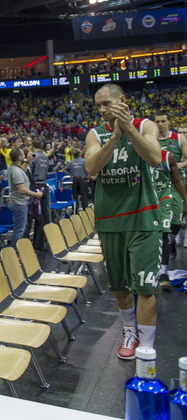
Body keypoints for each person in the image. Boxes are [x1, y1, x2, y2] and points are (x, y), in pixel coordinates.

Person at [85, 83, 162, 359]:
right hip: (109, 219)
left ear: (123, 100)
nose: (102, 110)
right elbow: (92, 168)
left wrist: (127, 129)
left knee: (145, 286)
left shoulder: (145, 126)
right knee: (119, 285)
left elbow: (154, 158)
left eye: (106, 104)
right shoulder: (95, 133)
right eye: (98, 106)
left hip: (143, 217)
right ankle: (129, 330)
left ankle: (147, 344)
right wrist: (115, 138)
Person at [154, 110, 187, 274]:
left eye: (163, 121)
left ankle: (171, 240)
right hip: (155, 184)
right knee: (160, 224)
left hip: (175, 182)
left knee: (176, 221)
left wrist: (175, 165)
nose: (160, 124)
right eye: (157, 121)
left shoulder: (178, 138)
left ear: (169, 122)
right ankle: (162, 256)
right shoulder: (150, 139)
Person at [6, 147, 43, 247]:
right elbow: (21, 189)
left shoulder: (15, 168)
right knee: (19, 229)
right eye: (23, 154)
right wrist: (36, 195)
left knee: (22, 227)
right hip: (19, 203)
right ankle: (16, 252)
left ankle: (19, 250)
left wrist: (27, 161)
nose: (24, 156)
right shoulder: (16, 171)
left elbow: (22, 170)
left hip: (20, 203)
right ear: (19, 157)